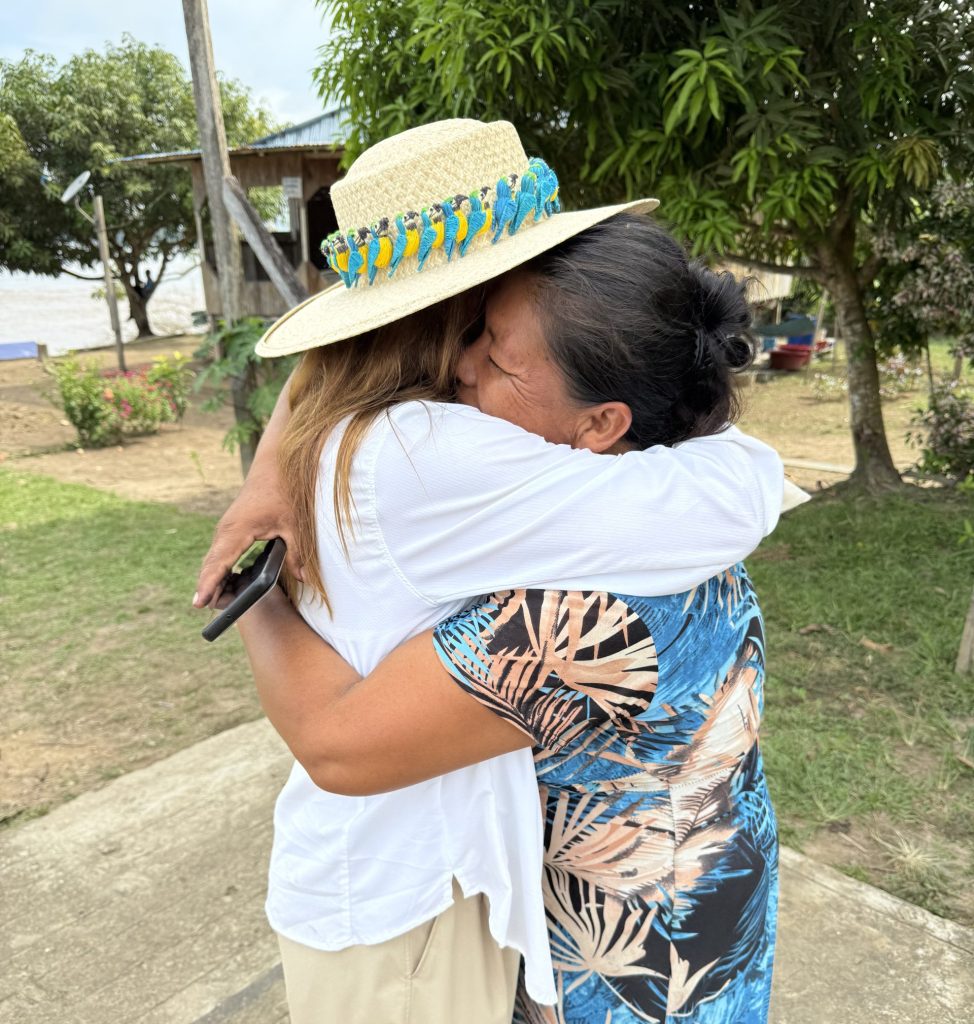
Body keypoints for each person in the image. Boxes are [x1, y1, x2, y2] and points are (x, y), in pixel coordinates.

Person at [196, 118, 800, 1024]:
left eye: (501, 347)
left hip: (544, 923)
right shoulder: (440, 453)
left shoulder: (374, 421)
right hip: (463, 901)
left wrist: (266, 498)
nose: (475, 367)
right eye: (482, 327)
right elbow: (745, 484)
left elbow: (326, 368)